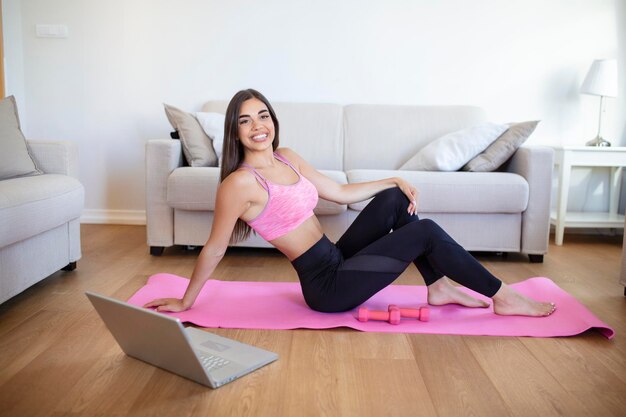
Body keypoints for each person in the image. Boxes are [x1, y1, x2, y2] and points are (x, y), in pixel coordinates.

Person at [145, 89, 556, 317]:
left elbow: (340, 193)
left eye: (263, 115)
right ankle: (502, 294)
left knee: (394, 200)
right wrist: (186, 299)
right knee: (426, 232)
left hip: (338, 257)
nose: (258, 126)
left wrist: (394, 178)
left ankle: (439, 285)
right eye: (245, 120)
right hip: (327, 287)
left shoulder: (288, 156)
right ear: (235, 131)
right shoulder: (238, 184)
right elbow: (215, 247)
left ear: (273, 120)